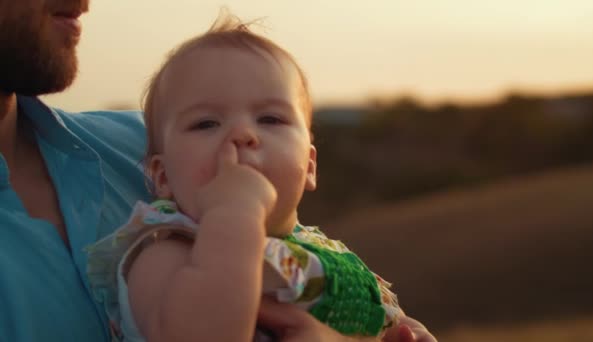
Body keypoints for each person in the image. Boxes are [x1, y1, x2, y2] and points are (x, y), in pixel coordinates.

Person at [0, 0, 429, 340]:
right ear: (160, 177)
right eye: (207, 123)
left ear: (310, 164)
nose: (241, 136)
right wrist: (234, 214)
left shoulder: (140, 140)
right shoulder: (167, 246)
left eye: (272, 120)